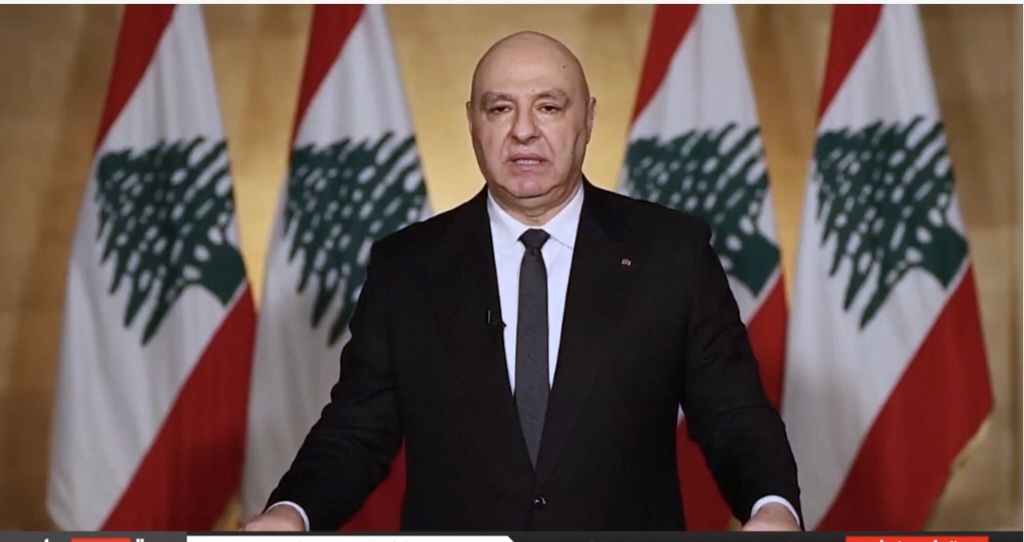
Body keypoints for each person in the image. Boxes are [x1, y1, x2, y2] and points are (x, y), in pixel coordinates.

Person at [243, 30, 801, 532]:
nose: (524, 131)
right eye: (500, 108)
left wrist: (772, 505)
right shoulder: (407, 268)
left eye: (549, 107)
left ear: (588, 119)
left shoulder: (671, 253)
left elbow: (732, 414)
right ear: (472, 122)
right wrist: (291, 512)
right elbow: (356, 432)